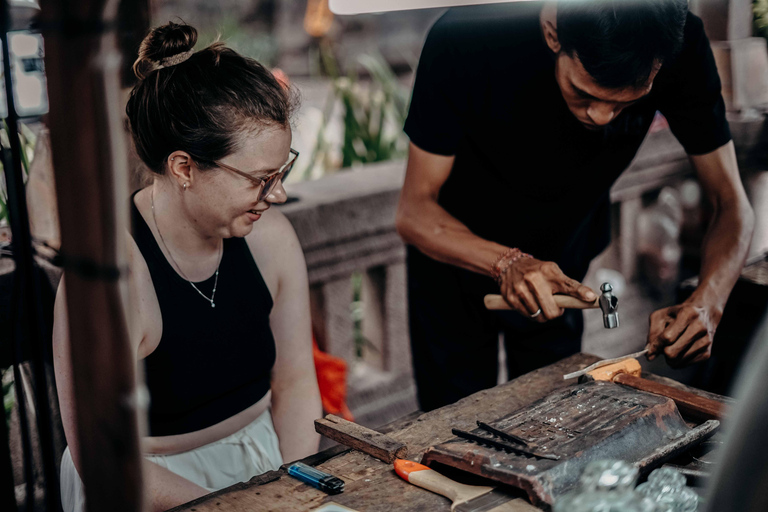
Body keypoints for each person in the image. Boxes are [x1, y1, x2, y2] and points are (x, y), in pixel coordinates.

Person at [396, 0, 755, 412]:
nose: (602, 117)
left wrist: (708, 302)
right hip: (452, 260)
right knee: (452, 424)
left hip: (562, 266)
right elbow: (414, 212)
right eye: (583, 93)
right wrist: (507, 262)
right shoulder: (467, 35)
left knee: (552, 419)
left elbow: (731, 203)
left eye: (625, 103)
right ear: (552, 31)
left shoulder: (677, 43)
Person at [53, 22, 322, 511]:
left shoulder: (272, 238)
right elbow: (101, 453)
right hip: (149, 487)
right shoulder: (111, 274)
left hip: (264, 464)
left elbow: (296, 382)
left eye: (281, 173)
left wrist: (291, 485)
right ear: (183, 168)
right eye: (261, 179)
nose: (277, 194)